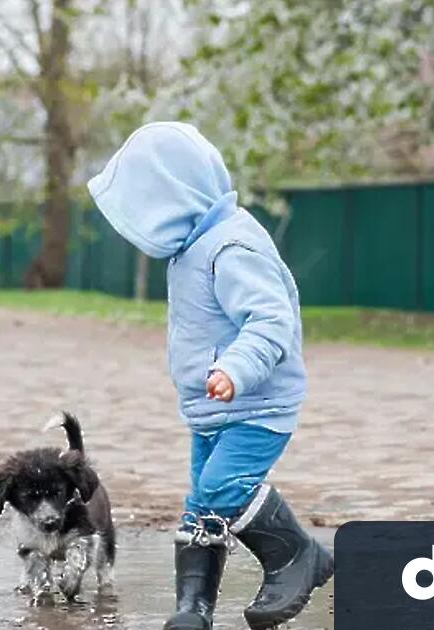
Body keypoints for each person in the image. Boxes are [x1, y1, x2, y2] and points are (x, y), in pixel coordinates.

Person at [86, 122, 334, 630]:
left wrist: (235, 369)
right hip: (214, 408)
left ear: (175, 196)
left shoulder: (230, 246)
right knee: (202, 507)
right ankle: (193, 608)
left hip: (257, 406)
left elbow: (271, 320)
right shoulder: (193, 248)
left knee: (224, 488)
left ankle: (297, 555)